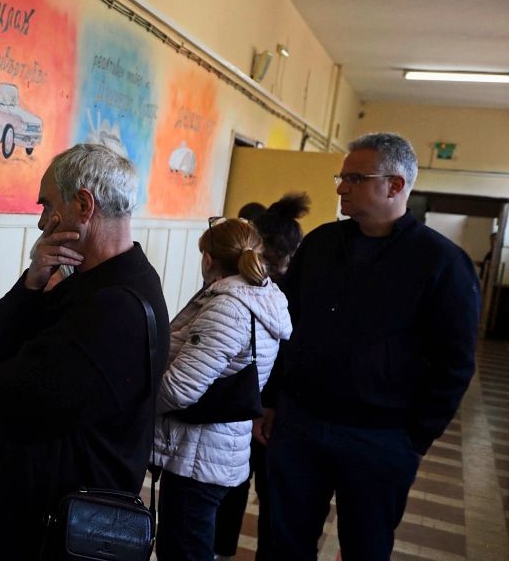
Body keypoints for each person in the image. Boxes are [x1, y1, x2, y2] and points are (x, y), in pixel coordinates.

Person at [264, 132, 480, 560]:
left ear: (395, 185)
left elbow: (454, 362)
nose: (341, 188)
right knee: (282, 543)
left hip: (380, 439)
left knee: (365, 548)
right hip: (300, 424)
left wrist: (414, 438)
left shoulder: (441, 262)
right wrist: (271, 399)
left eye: (355, 179)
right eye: (342, 178)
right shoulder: (322, 244)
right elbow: (285, 326)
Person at [0, 143, 170, 559]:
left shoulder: (118, 306)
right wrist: (32, 282)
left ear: (83, 205)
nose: (42, 221)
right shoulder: (88, 281)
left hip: (55, 531)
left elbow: (6, 396)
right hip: (36, 517)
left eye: (48, 205)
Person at [152, 218, 291, 560]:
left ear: (208, 258)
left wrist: (134, 403)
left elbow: (180, 388)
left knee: (183, 550)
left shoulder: (228, 307)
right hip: (215, 446)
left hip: (199, 453)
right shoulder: (259, 295)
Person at [213, 192, 310, 560]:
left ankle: (221, 550)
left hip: (251, 407)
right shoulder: (290, 291)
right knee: (271, 496)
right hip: (275, 409)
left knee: (238, 486)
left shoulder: (247, 289)